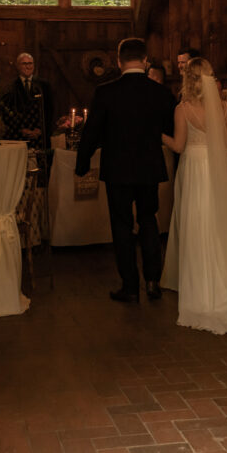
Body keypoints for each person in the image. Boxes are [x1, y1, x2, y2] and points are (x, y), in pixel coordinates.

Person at [161, 57, 227, 335]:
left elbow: (178, 145)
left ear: (188, 80)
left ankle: (203, 286)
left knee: (198, 223)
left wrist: (159, 135)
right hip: (218, 168)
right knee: (223, 224)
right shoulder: (222, 107)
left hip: (195, 167)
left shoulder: (183, 109)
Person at [75, 38, 176, 303]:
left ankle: (130, 286)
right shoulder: (161, 93)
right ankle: (153, 281)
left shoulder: (106, 92)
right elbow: (171, 130)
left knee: (121, 225)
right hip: (149, 167)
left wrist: (82, 163)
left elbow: (92, 131)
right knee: (149, 220)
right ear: (145, 61)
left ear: (119, 62)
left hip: (118, 168)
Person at [1, 52, 54, 148]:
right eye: (24, 63)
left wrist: (40, 129)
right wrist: (21, 129)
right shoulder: (10, 87)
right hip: (18, 137)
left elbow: (50, 111)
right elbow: (6, 113)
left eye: (30, 63)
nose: (28, 66)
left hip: (41, 138)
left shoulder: (44, 85)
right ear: (17, 66)